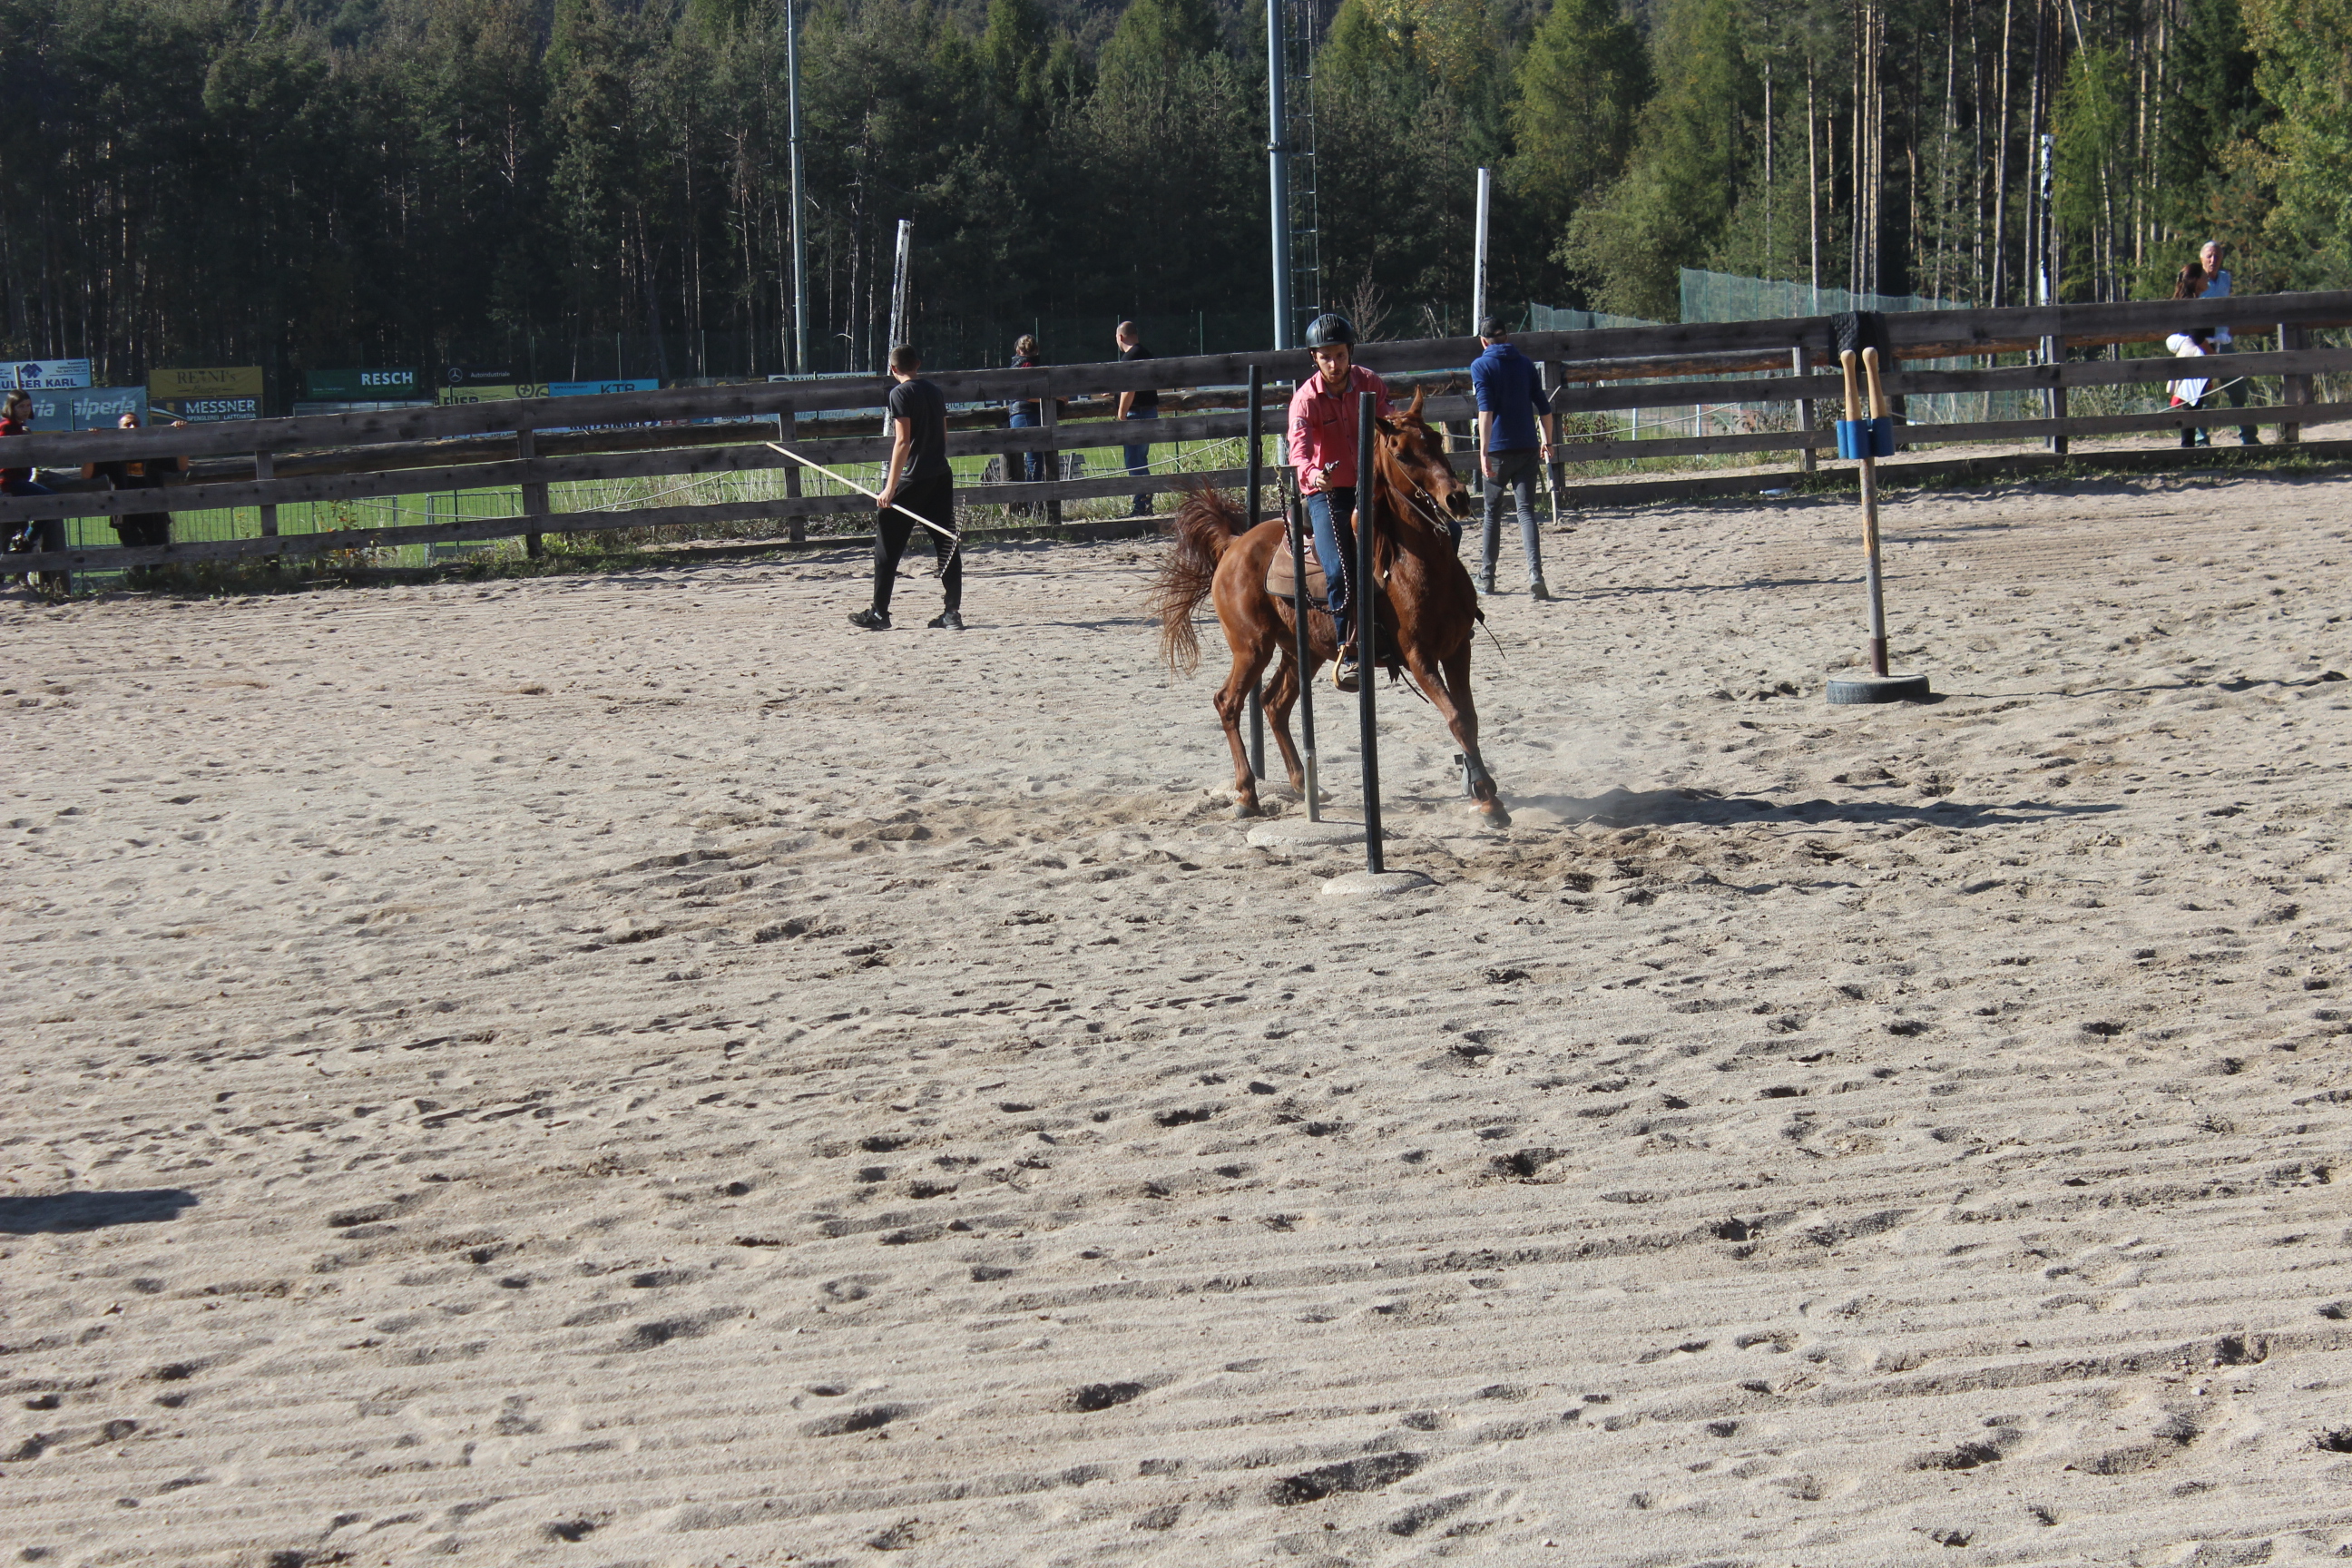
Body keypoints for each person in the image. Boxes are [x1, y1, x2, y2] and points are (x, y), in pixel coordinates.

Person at [1287, 312, 1392, 692]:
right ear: (1314, 358)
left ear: (1350, 353)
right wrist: (1314, 474)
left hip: (1373, 487)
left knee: (1441, 532)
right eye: (1326, 356)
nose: (1334, 364)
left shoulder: (1371, 384)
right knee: (1337, 570)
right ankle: (1349, 650)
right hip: (1327, 493)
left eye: (1340, 355)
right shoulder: (1304, 400)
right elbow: (1298, 452)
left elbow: (1390, 427)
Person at [849, 344, 963, 632]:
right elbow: (944, 435)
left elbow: (902, 441)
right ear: (918, 364)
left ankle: (879, 612)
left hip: (914, 478)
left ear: (893, 368)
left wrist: (890, 488)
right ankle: (952, 613)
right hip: (940, 474)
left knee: (887, 543)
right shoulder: (934, 391)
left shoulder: (899, 393)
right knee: (946, 542)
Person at [1469, 316, 1558, 600]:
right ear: (1507, 337)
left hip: (1497, 450)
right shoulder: (1525, 364)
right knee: (1526, 512)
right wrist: (1547, 442)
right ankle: (1536, 575)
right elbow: (1544, 408)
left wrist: (1483, 451)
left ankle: (1487, 577)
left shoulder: (1481, 366)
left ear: (1483, 341)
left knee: (1492, 514)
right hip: (1527, 448)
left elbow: (1486, 411)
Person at [84, 411, 188, 559]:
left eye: (136, 424)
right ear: (119, 429)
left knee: (160, 558)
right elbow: (86, 474)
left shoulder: (152, 449)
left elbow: (181, 466)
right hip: (124, 512)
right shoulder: (111, 452)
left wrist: (180, 435)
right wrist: (91, 443)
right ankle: (137, 574)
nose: (133, 427)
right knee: (133, 559)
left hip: (155, 512)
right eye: (128, 425)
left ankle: (158, 574)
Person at [1, 388, 64, 593]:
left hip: (18, 480)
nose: (26, 410)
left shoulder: (19, 428)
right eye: (21, 406)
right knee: (51, 500)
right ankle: (27, 542)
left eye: (28, 405)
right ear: (11, 408)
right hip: (8, 481)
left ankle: (24, 545)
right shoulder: (6, 427)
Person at [2199, 240, 2259, 446]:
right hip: (2202, 343)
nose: (2213, 260)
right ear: (2201, 258)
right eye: (2209, 255)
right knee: (2200, 393)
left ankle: (2248, 436)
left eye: (2217, 256)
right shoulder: (2194, 279)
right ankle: (2201, 439)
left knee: (2237, 389)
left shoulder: (2225, 278)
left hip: (2223, 341)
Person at [2165, 263, 2214, 451]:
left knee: (2193, 401)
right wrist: (2213, 354)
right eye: (2203, 276)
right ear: (2194, 280)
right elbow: (2196, 335)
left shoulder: (2187, 301)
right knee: (2192, 401)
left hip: (2191, 353)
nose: (2207, 278)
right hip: (2194, 353)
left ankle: (2189, 446)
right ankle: (2187, 447)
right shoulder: (2193, 304)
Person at [1114, 321, 1158, 515]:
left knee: (1134, 460)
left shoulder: (1129, 358)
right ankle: (1145, 503)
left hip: (1136, 413)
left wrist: (1121, 413)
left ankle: (1141, 505)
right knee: (1141, 459)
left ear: (1120, 337)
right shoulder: (1145, 353)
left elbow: (1130, 389)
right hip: (1149, 411)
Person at [1004, 335, 1045, 512]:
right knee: (1035, 463)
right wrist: (1052, 398)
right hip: (1028, 414)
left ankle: (1031, 505)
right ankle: (1034, 506)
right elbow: (1027, 394)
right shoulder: (1029, 366)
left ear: (1018, 350)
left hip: (1018, 414)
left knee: (1032, 463)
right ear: (1036, 350)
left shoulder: (1016, 366)